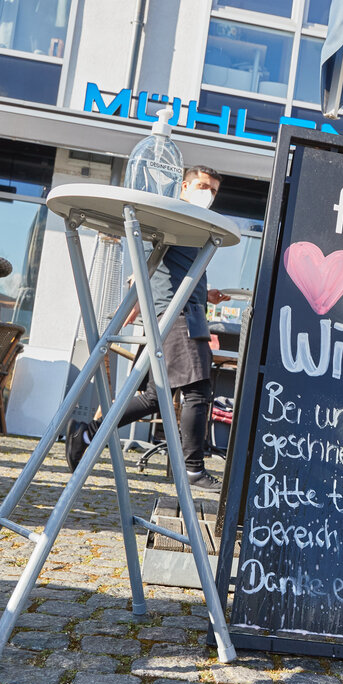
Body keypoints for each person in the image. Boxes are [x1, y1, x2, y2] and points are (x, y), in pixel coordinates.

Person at [66, 166, 229, 491]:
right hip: (176, 315)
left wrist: (205, 293)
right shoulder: (172, 217)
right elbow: (146, 262)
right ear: (184, 186)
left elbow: (172, 270)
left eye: (212, 190)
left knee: (157, 397)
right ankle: (193, 470)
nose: (207, 193)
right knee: (197, 390)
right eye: (201, 186)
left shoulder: (192, 225)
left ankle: (87, 433)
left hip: (186, 311)